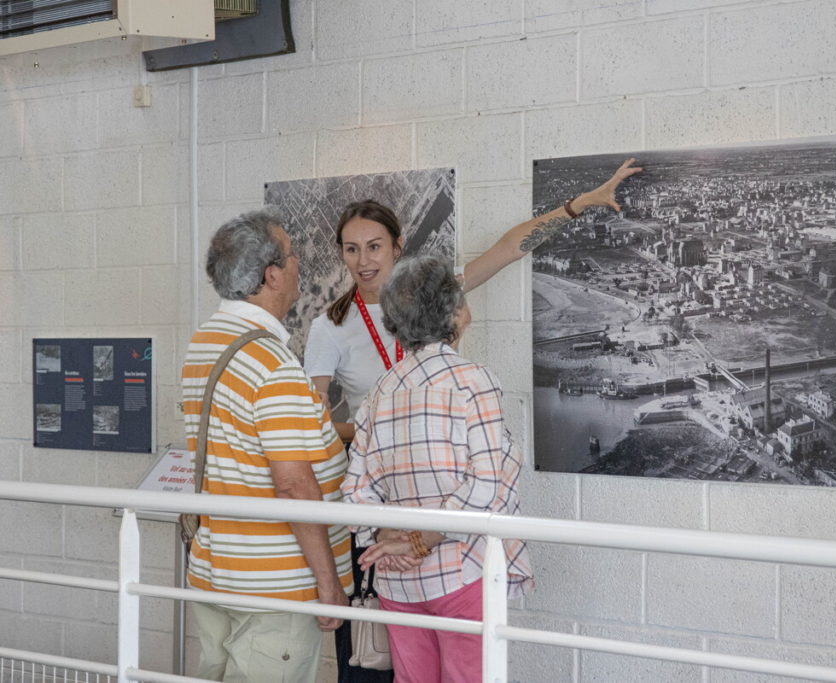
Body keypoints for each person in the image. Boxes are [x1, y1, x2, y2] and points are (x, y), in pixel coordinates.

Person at [303, 158, 639, 680]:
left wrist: (580, 204)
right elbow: (314, 423)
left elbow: (509, 248)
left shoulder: (430, 294)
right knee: (382, 661)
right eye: (351, 249)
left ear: (397, 246)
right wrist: (394, 430)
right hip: (389, 501)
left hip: (429, 503)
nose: (363, 260)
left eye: (374, 246)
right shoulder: (331, 326)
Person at [342, 255, 533, 683]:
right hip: (461, 570)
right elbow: (486, 485)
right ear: (454, 311)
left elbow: (355, 492)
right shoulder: (472, 381)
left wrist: (385, 540)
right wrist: (417, 540)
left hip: (397, 580)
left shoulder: (380, 391)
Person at [181, 208, 351, 682]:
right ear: (272, 275)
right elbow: (295, 485)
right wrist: (328, 584)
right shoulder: (271, 363)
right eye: (295, 255)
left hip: (216, 570)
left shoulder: (205, 344)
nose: (301, 265)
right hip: (274, 586)